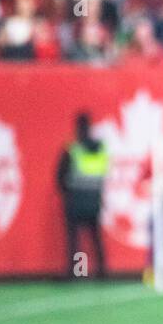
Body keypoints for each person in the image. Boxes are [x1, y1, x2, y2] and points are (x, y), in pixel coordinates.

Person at [56, 113, 109, 279]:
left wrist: (67, 192)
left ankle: (77, 272)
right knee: (95, 237)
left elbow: (60, 176)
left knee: (75, 239)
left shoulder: (73, 148)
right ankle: (102, 271)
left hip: (75, 198)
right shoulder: (101, 148)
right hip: (94, 197)